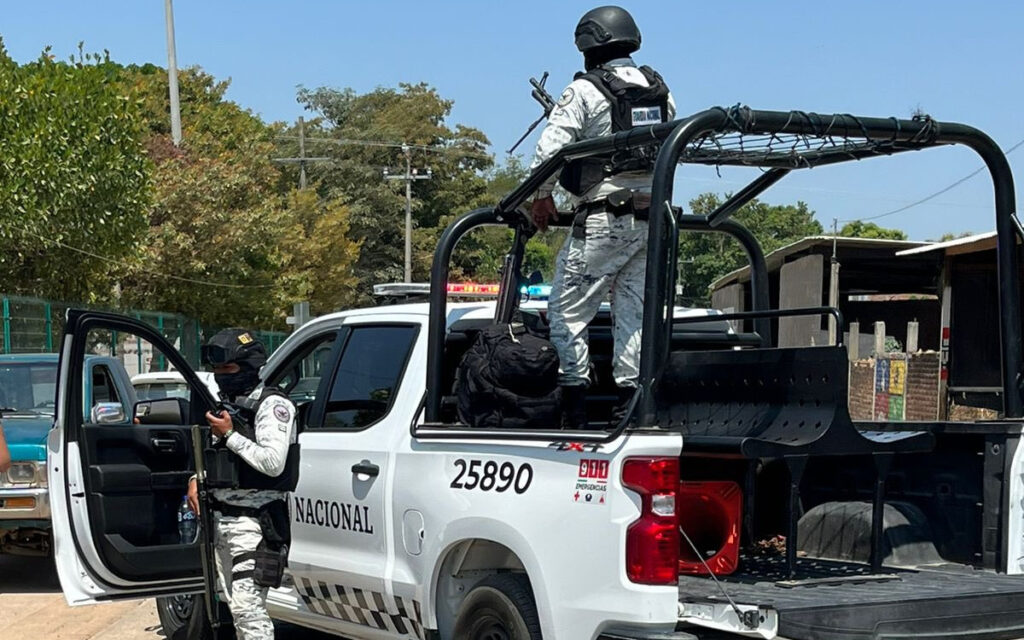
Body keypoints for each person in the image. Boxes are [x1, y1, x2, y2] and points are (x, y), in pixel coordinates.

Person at [528, 5, 676, 428]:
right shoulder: (660, 89)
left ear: (588, 45)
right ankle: (628, 408)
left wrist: (540, 197)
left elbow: (549, 151)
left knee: (567, 312)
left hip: (603, 221)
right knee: (632, 314)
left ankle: (574, 403)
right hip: (651, 222)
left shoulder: (586, 91)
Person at [186, 329, 299, 640]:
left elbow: (272, 462)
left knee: (249, 608)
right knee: (235, 606)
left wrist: (230, 435)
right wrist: (196, 479)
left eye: (229, 369)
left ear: (249, 366)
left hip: (256, 522)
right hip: (221, 519)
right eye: (218, 371)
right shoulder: (224, 405)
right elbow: (215, 457)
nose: (222, 376)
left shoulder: (272, 405)